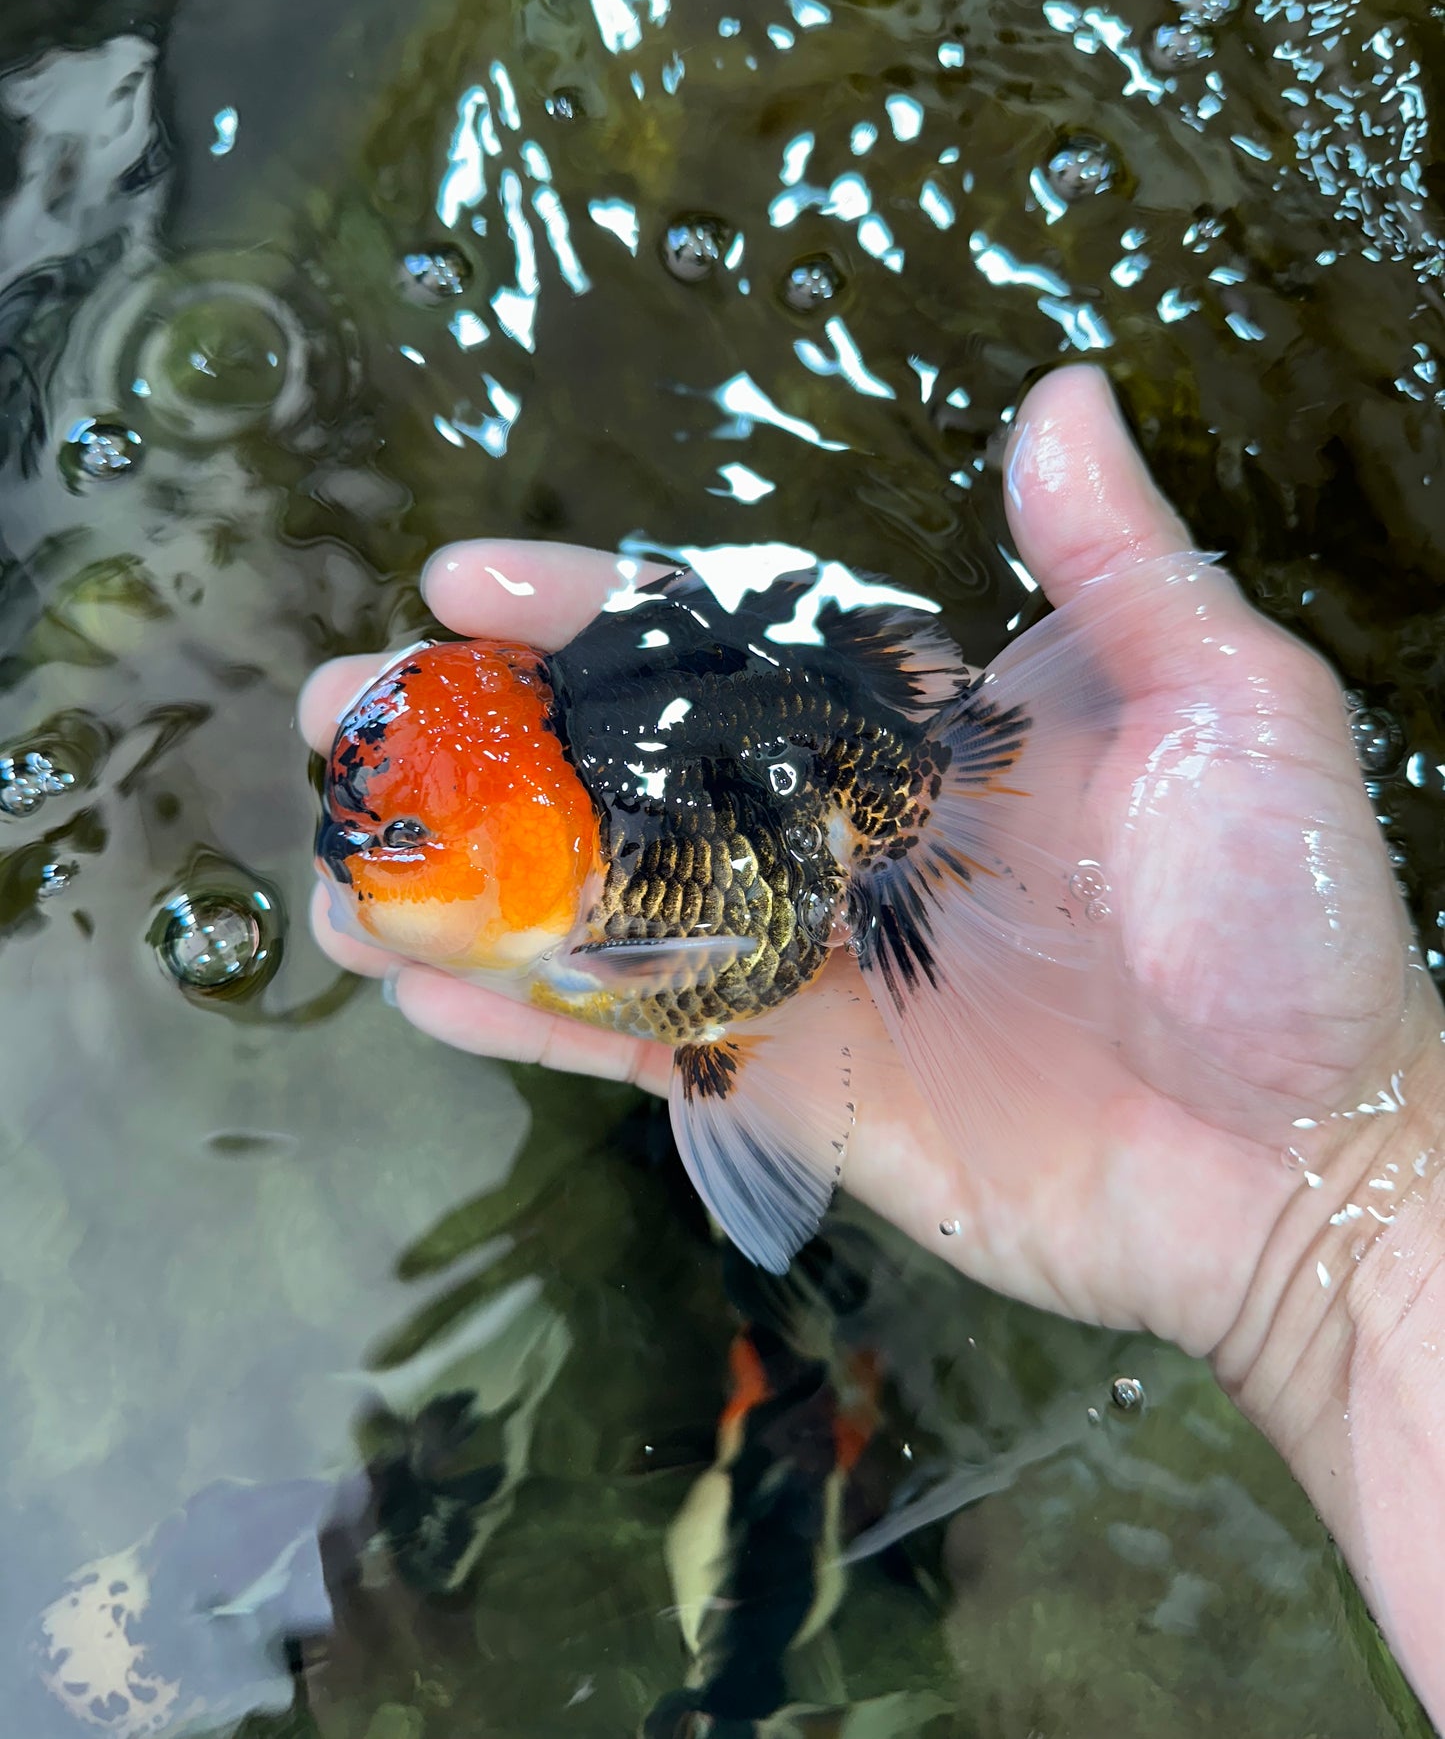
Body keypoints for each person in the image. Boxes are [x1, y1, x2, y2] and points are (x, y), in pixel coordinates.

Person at [298, 365, 1445, 1723]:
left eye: (403, 841)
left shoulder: (628, 892)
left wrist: (1355, 1212)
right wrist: (1359, 1208)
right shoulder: (563, 879)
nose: (358, 860)